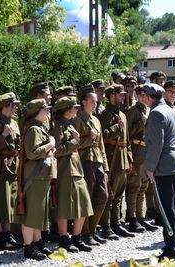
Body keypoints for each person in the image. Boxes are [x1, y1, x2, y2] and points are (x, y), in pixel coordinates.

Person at [143, 83, 175, 261]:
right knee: (172, 207)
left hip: (163, 165)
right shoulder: (169, 110)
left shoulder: (156, 113)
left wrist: (150, 167)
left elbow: (156, 144)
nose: (141, 97)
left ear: (149, 96)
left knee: (166, 208)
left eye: (143, 94)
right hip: (173, 162)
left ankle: (171, 248)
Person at [52, 96, 93, 252]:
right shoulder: (58, 126)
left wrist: (79, 141)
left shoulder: (70, 124)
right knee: (64, 205)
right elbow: (58, 150)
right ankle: (64, 238)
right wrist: (75, 141)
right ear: (66, 110)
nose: (77, 109)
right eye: (74, 107)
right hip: (65, 170)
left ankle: (77, 237)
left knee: (83, 203)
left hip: (76, 168)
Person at [19, 98, 57, 260]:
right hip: (34, 176)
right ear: (37, 112)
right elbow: (32, 153)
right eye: (45, 110)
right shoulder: (34, 130)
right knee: (31, 213)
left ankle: (37, 242)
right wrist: (50, 144)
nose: (48, 112)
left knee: (38, 212)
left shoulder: (40, 128)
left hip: (41, 175)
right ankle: (28, 247)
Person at [74, 85, 109, 245]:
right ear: (83, 102)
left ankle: (93, 229)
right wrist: (89, 138)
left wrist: (105, 167)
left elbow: (100, 144)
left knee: (103, 195)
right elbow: (73, 144)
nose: (95, 104)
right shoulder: (77, 119)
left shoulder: (96, 120)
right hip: (85, 161)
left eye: (96, 101)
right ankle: (85, 232)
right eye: (92, 101)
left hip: (97, 161)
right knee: (86, 197)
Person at [98, 84, 134, 239]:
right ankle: (106, 226)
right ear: (112, 96)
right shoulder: (105, 115)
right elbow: (102, 137)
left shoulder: (123, 114)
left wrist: (130, 158)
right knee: (109, 193)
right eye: (119, 95)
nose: (122, 97)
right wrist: (115, 128)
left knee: (119, 194)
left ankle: (116, 223)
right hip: (112, 157)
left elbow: (127, 139)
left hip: (123, 157)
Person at [0, 92, 23, 250]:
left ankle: (8, 233)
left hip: (12, 164)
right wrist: (3, 135)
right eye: (13, 104)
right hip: (1, 165)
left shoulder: (14, 122)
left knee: (10, 201)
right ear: (5, 106)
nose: (16, 107)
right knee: (0, 201)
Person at [126, 85, 157, 232]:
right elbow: (127, 132)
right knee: (134, 186)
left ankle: (140, 216)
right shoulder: (134, 111)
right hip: (137, 150)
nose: (146, 98)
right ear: (138, 96)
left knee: (143, 186)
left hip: (146, 150)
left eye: (147, 95)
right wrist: (141, 123)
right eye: (143, 95)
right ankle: (132, 218)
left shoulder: (147, 110)